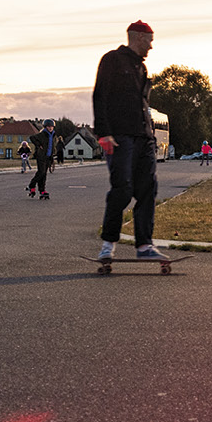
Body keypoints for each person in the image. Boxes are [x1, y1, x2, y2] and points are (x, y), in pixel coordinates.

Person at [93, 20, 164, 261]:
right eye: (150, 41)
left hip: (145, 138)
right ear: (138, 37)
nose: (152, 47)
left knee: (147, 190)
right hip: (120, 138)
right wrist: (103, 133)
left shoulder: (142, 69)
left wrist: (152, 136)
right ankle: (108, 244)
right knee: (122, 189)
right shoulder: (112, 60)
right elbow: (100, 95)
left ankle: (144, 246)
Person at [28, 119, 58, 200]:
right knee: (41, 172)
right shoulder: (42, 134)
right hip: (41, 156)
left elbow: (52, 146)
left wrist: (52, 156)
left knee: (44, 174)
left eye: (51, 126)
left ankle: (42, 190)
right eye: (48, 126)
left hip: (48, 157)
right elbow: (32, 138)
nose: (50, 128)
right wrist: (38, 145)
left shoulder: (53, 135)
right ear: (45, 127)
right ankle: (31, 185)